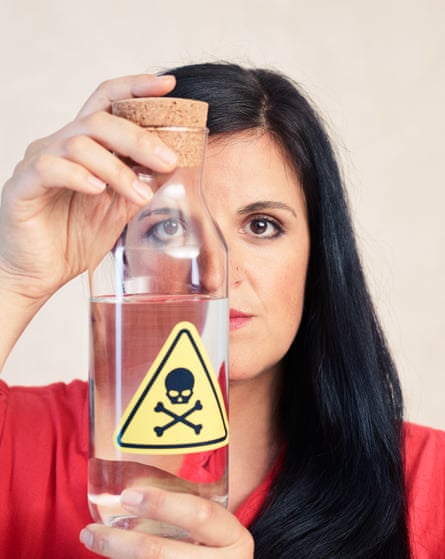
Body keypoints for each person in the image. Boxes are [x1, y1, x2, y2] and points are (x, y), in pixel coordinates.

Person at [0, 62, 444, 559]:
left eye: (261, 226)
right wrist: (14, 279)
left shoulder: (429, 484)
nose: (215, 273)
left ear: (317, 255)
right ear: (119, 252)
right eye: (168, 227)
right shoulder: (24, 442)